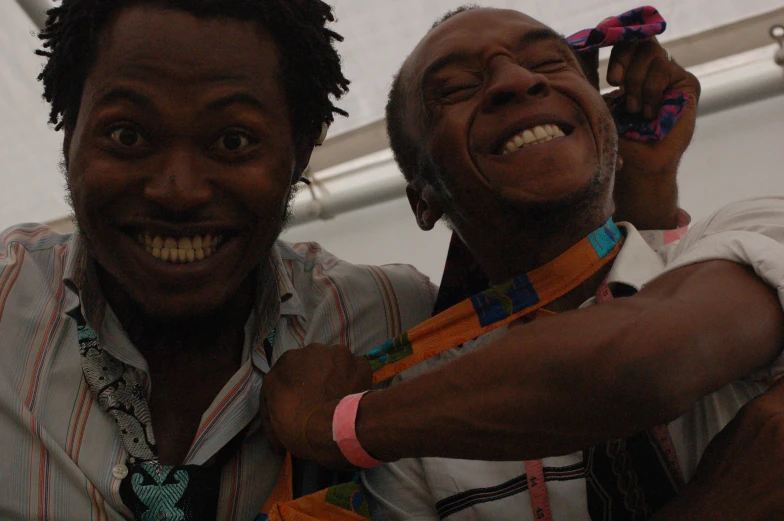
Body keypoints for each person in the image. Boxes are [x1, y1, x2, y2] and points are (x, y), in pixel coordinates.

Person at [260, 6, 784, 520]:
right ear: (423, 200)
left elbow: (642, 361)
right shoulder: (413, 441)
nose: (516, 81)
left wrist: (336, 426)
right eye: (458, 88)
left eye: (551, 64)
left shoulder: (750, 230)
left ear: (608, 132)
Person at [0, 1, 437, 519]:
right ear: (68, 133)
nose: (178, 191)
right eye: (127, 135)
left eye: (233, 140)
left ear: (299, 153)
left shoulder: (398, 322)